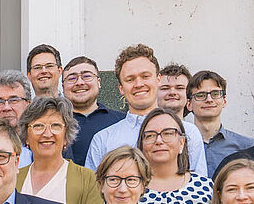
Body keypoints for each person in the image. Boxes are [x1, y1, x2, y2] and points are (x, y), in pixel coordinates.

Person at [85, 45, 209, 178]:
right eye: (130, 79)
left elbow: (199, 187)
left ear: (158, 80)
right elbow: (94, 192)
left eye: (145, 76)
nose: (139, 84)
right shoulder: (103, 140)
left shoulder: (188, 132)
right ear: (121, 88)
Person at [187, 70, 254, 174]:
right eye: (201, 95)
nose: (209, 99)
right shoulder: (180, 145)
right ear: (189, 104)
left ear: (224, 101)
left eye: (215, 94)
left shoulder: (246, 146)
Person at [63, 55, 124, 165]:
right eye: (72, 78)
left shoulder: (121, 121)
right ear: (63, 86)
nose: (80, 82)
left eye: (86, 76)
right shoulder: (56, 123)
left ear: (99, 82)